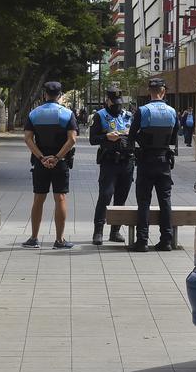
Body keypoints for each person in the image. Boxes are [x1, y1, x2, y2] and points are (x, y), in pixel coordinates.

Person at [23, 82, 79, 249]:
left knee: (38, 198)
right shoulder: (67, 114)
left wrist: (41, 157)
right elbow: (72, 139)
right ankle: (60, 240)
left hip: (40, 163)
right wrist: (56, 157)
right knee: (60, 198)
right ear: (60, 94)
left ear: (44, 94)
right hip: (60, 162)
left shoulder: (34, 114)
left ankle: (33, 238)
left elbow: (27, 138)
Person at [128, 78, 179, 252]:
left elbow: (131, 135)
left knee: (144, 202)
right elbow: (173, 138)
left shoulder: (143, 111)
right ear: (163, 91)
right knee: (165, 201)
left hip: (145, 161)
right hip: (164, 161)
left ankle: (142, 241)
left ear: (149, 91)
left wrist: (132, 152)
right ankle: (166, 240)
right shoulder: (172, 112)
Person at [89, 86, 135, 246]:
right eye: (114, 102)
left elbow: (139, 136)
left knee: (121, 198)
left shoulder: (128, 115)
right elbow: (92, 139)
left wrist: (132, 135)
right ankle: (98, 231)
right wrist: (106, 137)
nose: (117, 105)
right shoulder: (100, 116)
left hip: (127, 161)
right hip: (109, 161)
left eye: (119, 102)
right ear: (107, 101)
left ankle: (115, 231)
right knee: (105, 195)